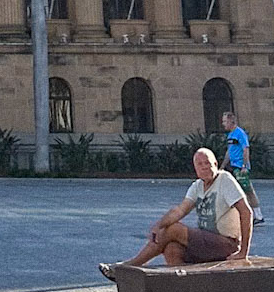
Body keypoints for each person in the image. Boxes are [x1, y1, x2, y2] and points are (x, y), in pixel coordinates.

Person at [99, 147, 252, 279]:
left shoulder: (224, 179)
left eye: (208, 163)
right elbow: (180, 210)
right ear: (195, 168)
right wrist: (159, 225)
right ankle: (185, 290)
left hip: (226, 243)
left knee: (173, 229)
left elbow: (246, 212)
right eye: (200, 164)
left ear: (215, 164)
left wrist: (243, 252)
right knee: (172, 249)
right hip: (205, 243)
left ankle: (127, 267)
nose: (205, 167)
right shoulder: (197, 186)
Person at [220, 111, 263, 225]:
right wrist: (223, 166)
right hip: (234, 167)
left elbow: (245, 149)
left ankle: (257, 215)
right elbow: (229, 152)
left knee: (247, 190)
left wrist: (244, 165)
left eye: (224, 121)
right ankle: (248, 215)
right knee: (240, 191)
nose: (223, 124)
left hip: (240, 167)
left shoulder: (240, 133)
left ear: (231, 121)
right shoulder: (230, 135)